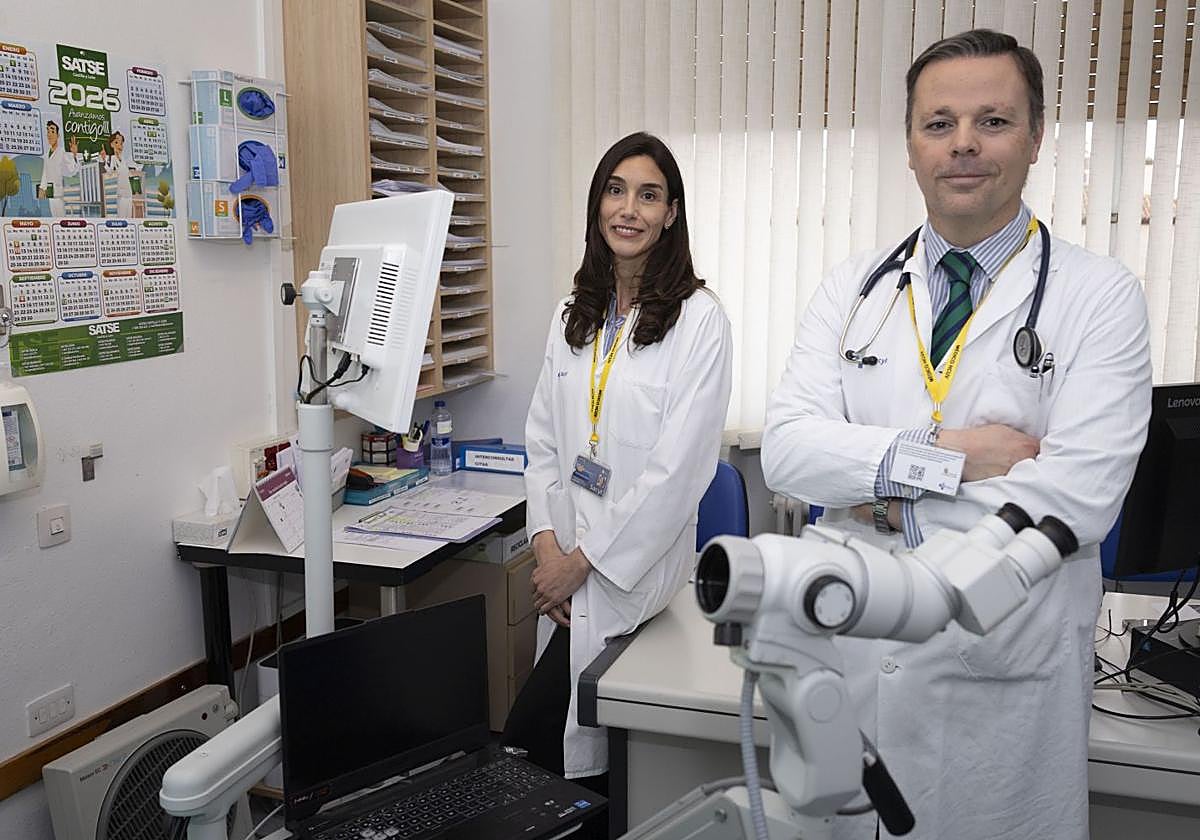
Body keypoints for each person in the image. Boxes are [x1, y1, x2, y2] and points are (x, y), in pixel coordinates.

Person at [761, 29, 1152, 840]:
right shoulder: (853, 289)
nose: (963, 143)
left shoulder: (1100, 297)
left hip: (1000, 669)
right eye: (939, 123)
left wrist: (875, 495)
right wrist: (950, 458)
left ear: (1035, 137)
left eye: (993, 121)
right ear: (911, 145)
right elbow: (789, 453)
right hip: (852, 662)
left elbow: (1074, 500)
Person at [507, 132, 733, 805]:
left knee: (556, 757)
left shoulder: (700, 322)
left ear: (671, 213)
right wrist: (547, 547)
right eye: (615, 190)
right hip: (567, 571)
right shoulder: (573, 313)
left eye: (648, 194)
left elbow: (678, 474)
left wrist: (581, 565)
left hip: (630, 577)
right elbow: (543, 441)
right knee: (545, 757)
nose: (628, 209)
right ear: (597, 204)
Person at [37, 120, 79, 217]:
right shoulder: (46, 154)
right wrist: (41, 189)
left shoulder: (62, 152)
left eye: (52, 131)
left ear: (58, 135)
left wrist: (74, 154)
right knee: (53, 219)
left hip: (59, 194)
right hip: (49, 194)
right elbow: (45, 174)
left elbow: (71, 171)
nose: (49, 134)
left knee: (61, 219)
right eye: (48, 131)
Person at [99, 130, 141, 218]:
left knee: (129, 216)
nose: (119, 145)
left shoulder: (124, 159)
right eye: (116, 142)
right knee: (122, 216)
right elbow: (109, 172)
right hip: (121, 194)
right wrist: (104, 159)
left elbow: (129, 173)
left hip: (129, 193)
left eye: (121, 143)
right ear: (112, 145)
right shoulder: (112, 159)